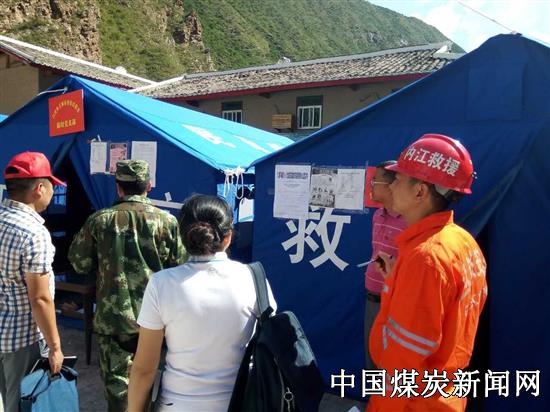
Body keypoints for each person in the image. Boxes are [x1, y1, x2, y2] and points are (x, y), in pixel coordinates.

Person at [367, 134, 488, 412]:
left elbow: (402, 362)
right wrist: (397, 281)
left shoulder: (427, 258)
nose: (391, 185)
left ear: (420, 192)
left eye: (398, 179)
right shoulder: (463, 242)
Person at [128, 194, 277, 412]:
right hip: (243, 403)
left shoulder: (161, 283)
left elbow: (144, 368)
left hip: (177, 405)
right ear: (228, 237)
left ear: (183, 237)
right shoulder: (254, 278)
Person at [68, 160, 186, 412]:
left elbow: (79, 263)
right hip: (155, 318)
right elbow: (181, 267)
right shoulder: (167, 221)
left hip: (113, 319)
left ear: (118, 187)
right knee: (151, 378)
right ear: (149, 186)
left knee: (117, 387)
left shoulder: (99, 220)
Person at [0, 152, 65, 412]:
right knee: (21, 404)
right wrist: (55, 347)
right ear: (39, 188)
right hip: (21, 340)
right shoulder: (34, 233)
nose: (53, 192)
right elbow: (40, 298)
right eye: (51, 186)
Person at [364, 161, 406, 371]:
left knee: (391, 362)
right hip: (372, 298)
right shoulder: (377, 215)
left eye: (375, 182)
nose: (370, 186)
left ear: (392, 186)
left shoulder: (409, 221)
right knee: (372, 358)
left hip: (396, 305)